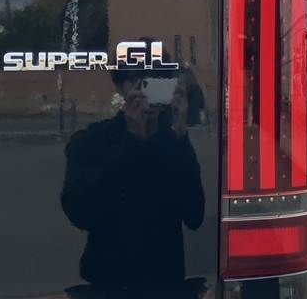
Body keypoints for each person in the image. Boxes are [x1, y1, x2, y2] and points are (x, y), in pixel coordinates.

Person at [61, 62, 205, 297]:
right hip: (107, 283)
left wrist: (180, 135)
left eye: (154, 81)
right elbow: (80, 212)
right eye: (136, 81)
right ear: (120, 87)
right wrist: (132, 139)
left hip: (166, 282)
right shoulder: (92, 140)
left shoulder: (173, 143)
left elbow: (194, 215)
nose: (144, 91)